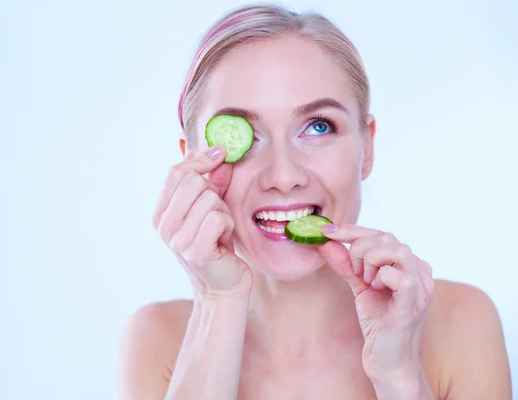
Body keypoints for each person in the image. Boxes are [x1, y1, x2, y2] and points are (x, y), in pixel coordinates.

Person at [118, 3, 512, 399]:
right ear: (192, 162)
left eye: (318, 126)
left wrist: (399, 376)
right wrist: (217, 302)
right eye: (244, 136)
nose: (284, 177)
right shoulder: (157, 339)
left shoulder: (462, 322)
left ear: (367, 146)